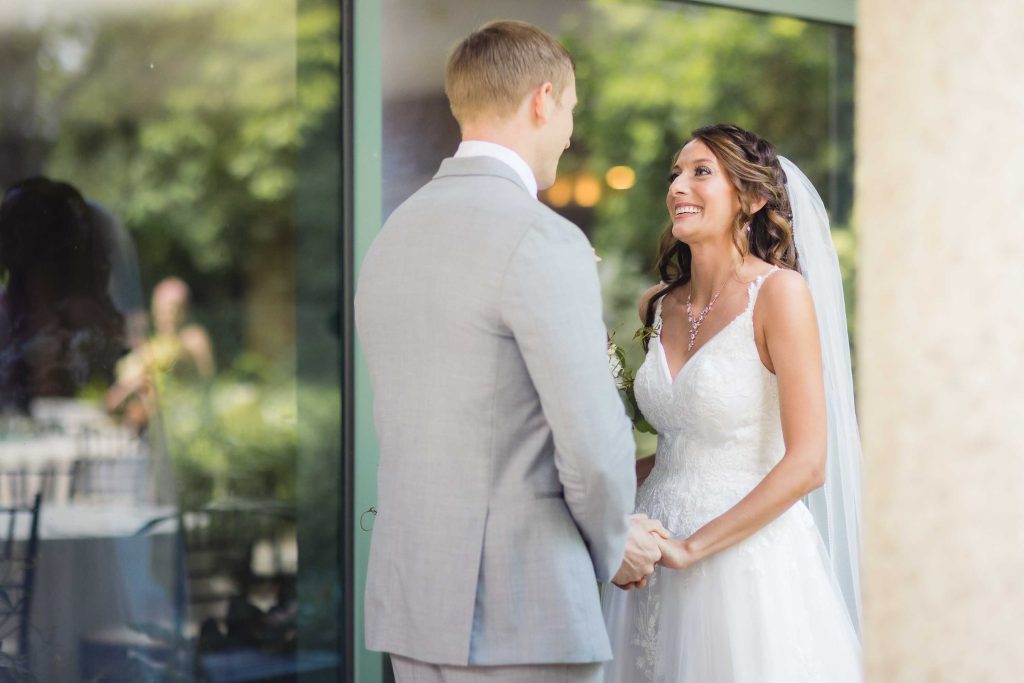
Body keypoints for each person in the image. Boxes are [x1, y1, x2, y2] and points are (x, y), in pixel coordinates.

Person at [355, 20, 668, 683]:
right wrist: (616, 542)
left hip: (413, 604)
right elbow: (592, 448)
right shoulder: (541, 239)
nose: (570, 133)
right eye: (571, 112)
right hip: (523, 615)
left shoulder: (390, 238)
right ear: (541, 101)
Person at [602, 124, 863, 682]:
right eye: (675, 172)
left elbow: (808, 462)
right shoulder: (658, 305)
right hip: (651, 559)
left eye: (700, 172)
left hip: (741, 563)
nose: (678, 186)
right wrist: (600, 491)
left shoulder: (780, 295)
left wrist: (693, 549)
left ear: (752, 198)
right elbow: (681, 450)